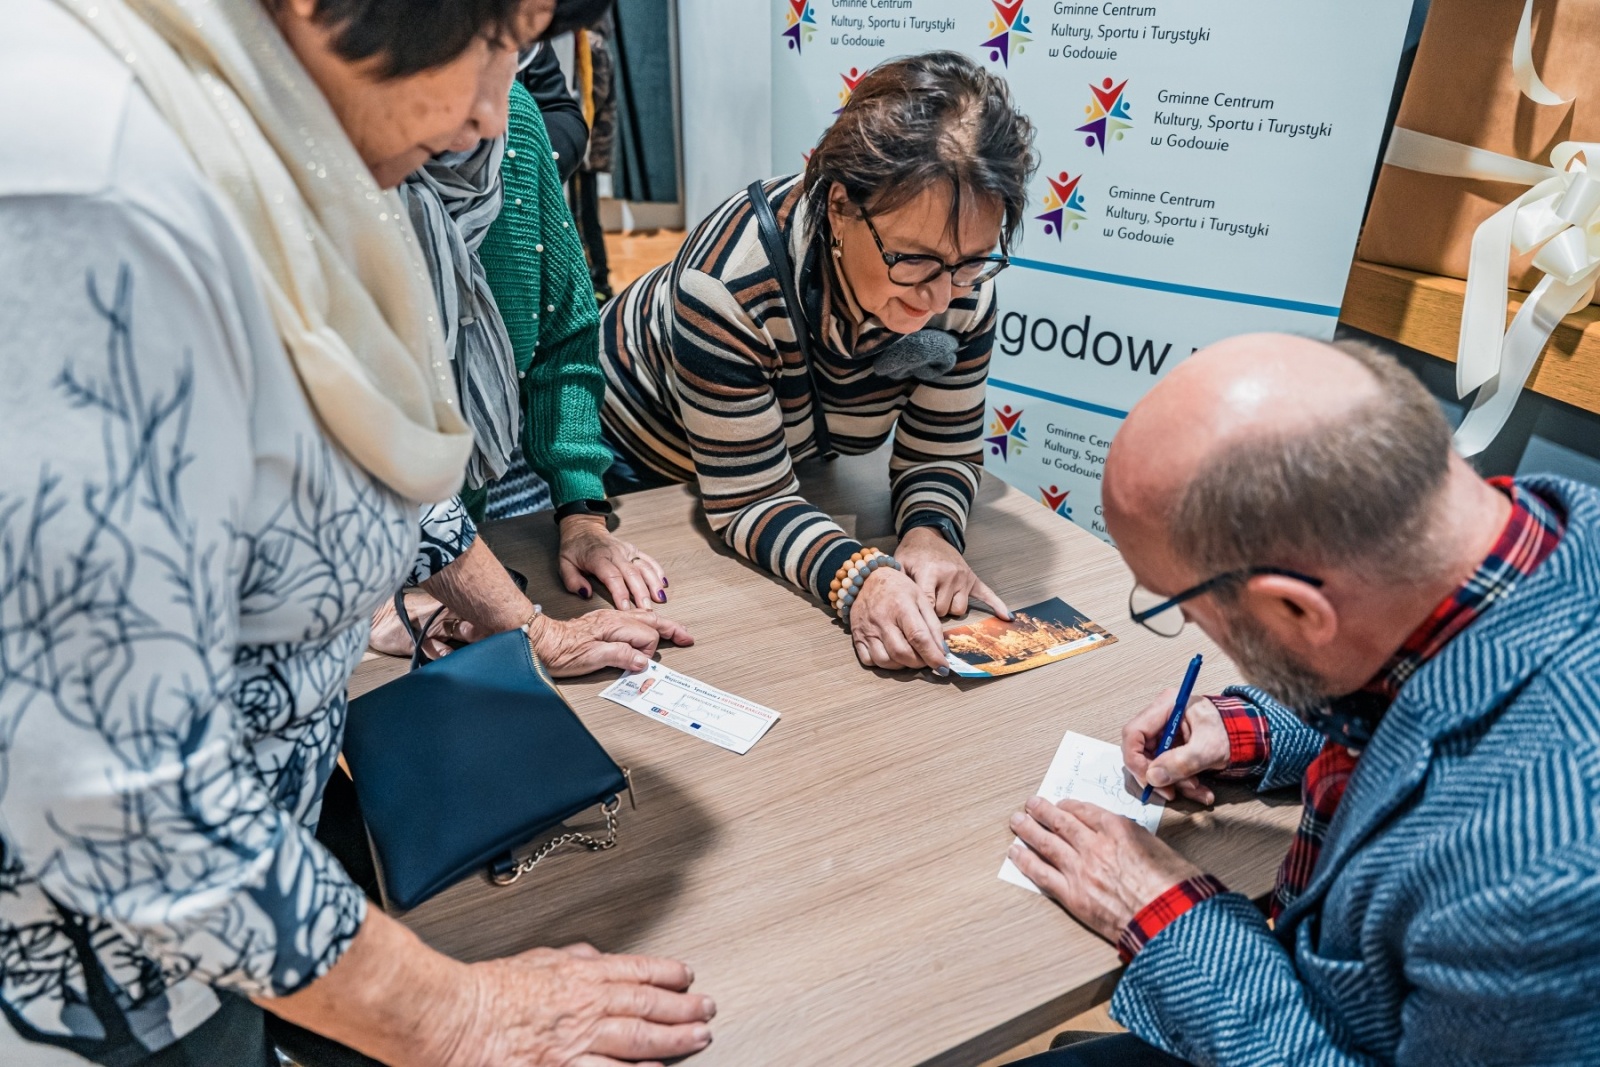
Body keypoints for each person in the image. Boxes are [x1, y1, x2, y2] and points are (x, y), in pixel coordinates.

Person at [0, 0, 714, 1064]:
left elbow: (381, 474)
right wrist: (462, 1014)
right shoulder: (90, 191)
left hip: (255, 903)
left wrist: (528, 628)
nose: (491, 113)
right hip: (116, 976)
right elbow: (111, 787)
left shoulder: (273, 133)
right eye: (495, 38)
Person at [1005, 335, 1600, 1066]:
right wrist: (1252, 727)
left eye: (1181, 607)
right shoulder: (1516, 541)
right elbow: (1412, 670)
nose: (1191, 627)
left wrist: (1163, 912)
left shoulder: (1542, 880)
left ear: (1299, 612)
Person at [598, 51, 1038, 674]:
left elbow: (942, 448)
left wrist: (931, 532)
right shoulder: (728, 280)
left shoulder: (962, 284)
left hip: (777, 456)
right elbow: (748, 500)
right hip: (636, 459)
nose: (940, 298)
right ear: (837, 206)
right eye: (910, 260)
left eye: (970, 260)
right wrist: (860, 577)